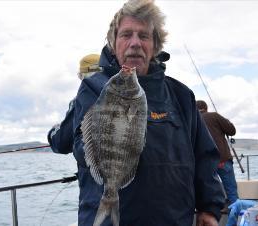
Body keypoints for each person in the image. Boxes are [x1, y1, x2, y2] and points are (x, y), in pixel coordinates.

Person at [49, 0, 225, 225]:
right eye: (126, 35)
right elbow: (80, 148)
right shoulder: (94, 88)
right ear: (114, 42)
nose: (135, 43)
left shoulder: (181, 95)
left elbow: (204, 155)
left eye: (143, 36)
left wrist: (209, 208)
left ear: (155, 45)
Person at [48, 54, 101, 154]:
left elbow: (61, 143)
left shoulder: (81, 100)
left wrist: (54, 131)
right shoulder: (120, 92)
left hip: (95, 168)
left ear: (81, 76)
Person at [196, 100, 239, 208]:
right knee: (232, 192)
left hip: (203, 162)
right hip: (222, 160)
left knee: (208, 193)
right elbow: (232, 131)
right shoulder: (214, 116)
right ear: (206, 108)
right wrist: (228, 122)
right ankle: (234, 220)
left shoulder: (193, 119)